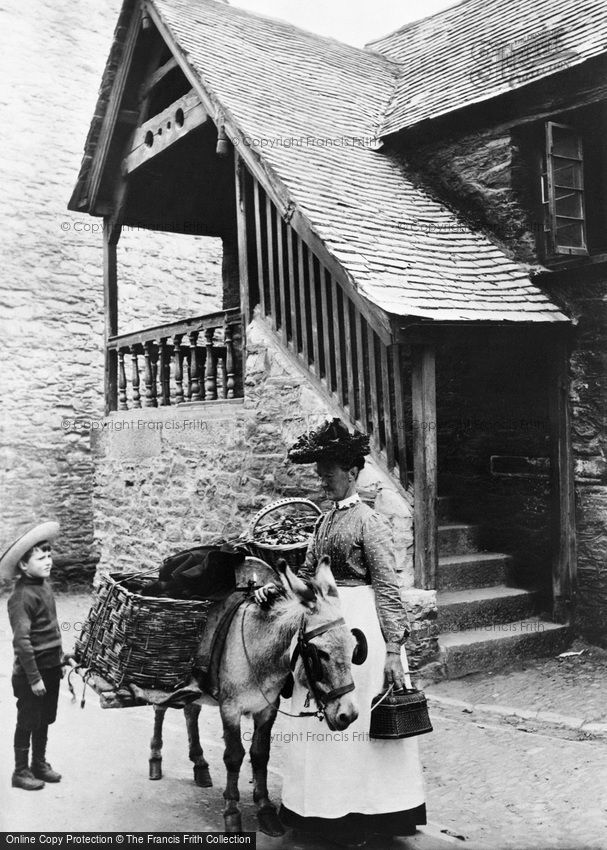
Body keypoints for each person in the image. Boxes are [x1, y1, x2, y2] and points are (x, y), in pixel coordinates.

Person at [254, 419, 426, 847]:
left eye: (329, 472)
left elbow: (388, 587)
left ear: (351, 473)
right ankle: (321, 810)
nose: (322, 480)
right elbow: (309, 576)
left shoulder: (370, 523)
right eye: (319, 473)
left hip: (363, 633)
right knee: (319, 720)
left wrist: (393, 649)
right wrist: (273, 588)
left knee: (357, 724)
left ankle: (364, 814)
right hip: (323, 630)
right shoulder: (323, 522)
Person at [1, 521, 67, 790]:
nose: (48, 561)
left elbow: (51, 630)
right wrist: (35, 678)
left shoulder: (44, 586)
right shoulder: (21, 597)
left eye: (50, 555)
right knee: (28, 720)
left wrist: (62, 658)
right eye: (41, 558)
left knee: (45, 718)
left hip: (51, 668)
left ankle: (39, 763)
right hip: (32, 673)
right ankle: (20, 771)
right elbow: (23, 642)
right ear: (24, 566)